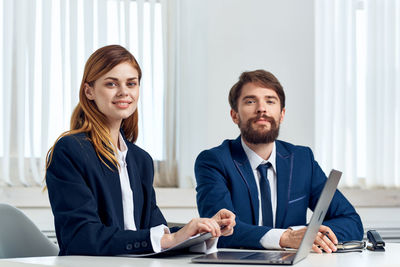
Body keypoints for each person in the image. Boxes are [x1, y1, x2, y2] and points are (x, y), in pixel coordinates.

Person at [45, 45, 235, 256]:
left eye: (131, 83)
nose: (124, 92)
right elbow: (81, 237)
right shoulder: (71, 150)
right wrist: (170, 238)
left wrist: (201, 231)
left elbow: (150, 231)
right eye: (111, 83)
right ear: (89, 91)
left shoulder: (140, 160)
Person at [194, 70, 363, 253]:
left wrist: (302, 235)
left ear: (281, 114)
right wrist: (285, 238)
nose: (261, 108)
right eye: (250, 101)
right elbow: (220, 230)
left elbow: (351, 221)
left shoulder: (302, 159)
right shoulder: (213, 161)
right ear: (234, 115)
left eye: (270, 101)